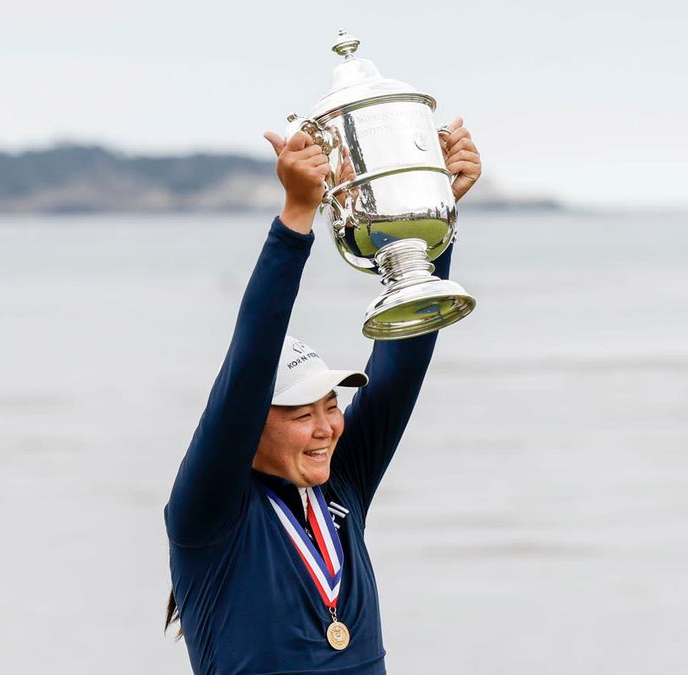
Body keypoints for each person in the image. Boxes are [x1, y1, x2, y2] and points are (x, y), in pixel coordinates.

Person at [164, 118, 482, 674]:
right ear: (250, 426)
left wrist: (431, 222)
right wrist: (296, 217)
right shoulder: (209, 513)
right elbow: (247, 369)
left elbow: (401, 363)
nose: (326, 428)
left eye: (330, 407)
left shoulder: (342, 484)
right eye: (300, 414)